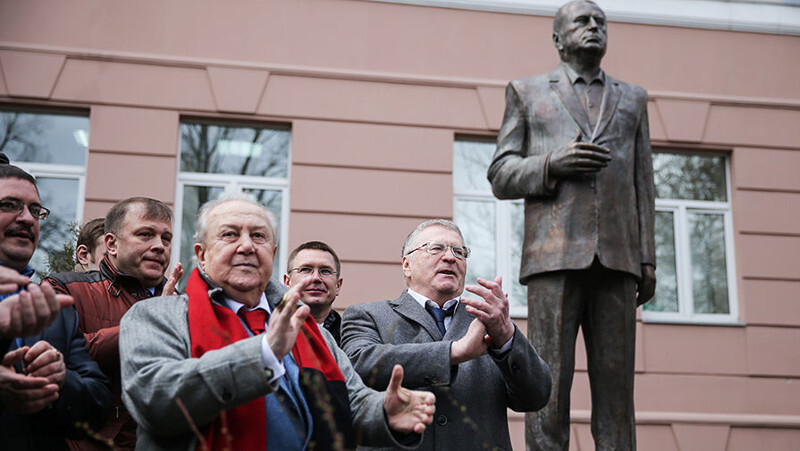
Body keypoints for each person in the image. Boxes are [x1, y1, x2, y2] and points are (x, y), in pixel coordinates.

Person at [119, 194, 435, 450]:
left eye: (258, 236)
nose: (246, 246)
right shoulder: (156, 316)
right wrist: (263, 354)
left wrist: (385, 412)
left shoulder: (308, 329)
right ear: (201, 255)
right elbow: (154, 399)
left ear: (271, 252)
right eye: (230, 234)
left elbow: (352, 403)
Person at [487, 1, 656, 449]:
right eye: (582, 21)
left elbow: (644, 183)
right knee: (548, 386)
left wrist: (647, 259)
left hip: (619, 260)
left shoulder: (633, 98)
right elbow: (501, 174)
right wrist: (551, 164)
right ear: (558, 38)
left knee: (618, 393)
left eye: (601, 21)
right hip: (553, 258)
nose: (594, 27)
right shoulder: (527, 92)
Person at [341, 219, 552, 450]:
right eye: (436, 248)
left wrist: (507, 339)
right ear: (406, 265)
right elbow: (358, 366)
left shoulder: (490, 322)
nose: (451, 257)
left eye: (459, 252)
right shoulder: (368, 315)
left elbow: (537, 396)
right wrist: (453, 352)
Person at [45, 197, 182, 450]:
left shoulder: (181, 303)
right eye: (145, 234)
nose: (159, 246)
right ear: (111, 244)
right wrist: (152, 320)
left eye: (166, 238)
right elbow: (61, 359)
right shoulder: (64, 289)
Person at [0, 162, 111, 450]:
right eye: (9, 205)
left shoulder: (55, 307)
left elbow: (98, 405)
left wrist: (61, 380)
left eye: (35, 211)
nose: (27, 218)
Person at [284, 240, 344, 345]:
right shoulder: (269, 329)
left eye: (325, 271)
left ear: (338, 285)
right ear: (287, 282)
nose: (316, 278)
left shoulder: (350, 338)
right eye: (306, 270)